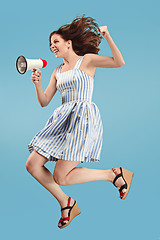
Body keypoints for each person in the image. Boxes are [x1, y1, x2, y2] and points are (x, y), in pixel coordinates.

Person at [26, 14, 134, 229]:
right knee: (32, 164)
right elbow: (45, 101)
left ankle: (111, 175)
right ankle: (67, 201)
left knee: (61, 177)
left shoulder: (87, 61)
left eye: (55, 42)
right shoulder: (57, 71)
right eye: (50, 44)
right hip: (61, 121)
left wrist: (108, 36)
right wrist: (37, 84)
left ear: (68, 43)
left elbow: (119, 62)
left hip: (83, 119)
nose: (52, 46)